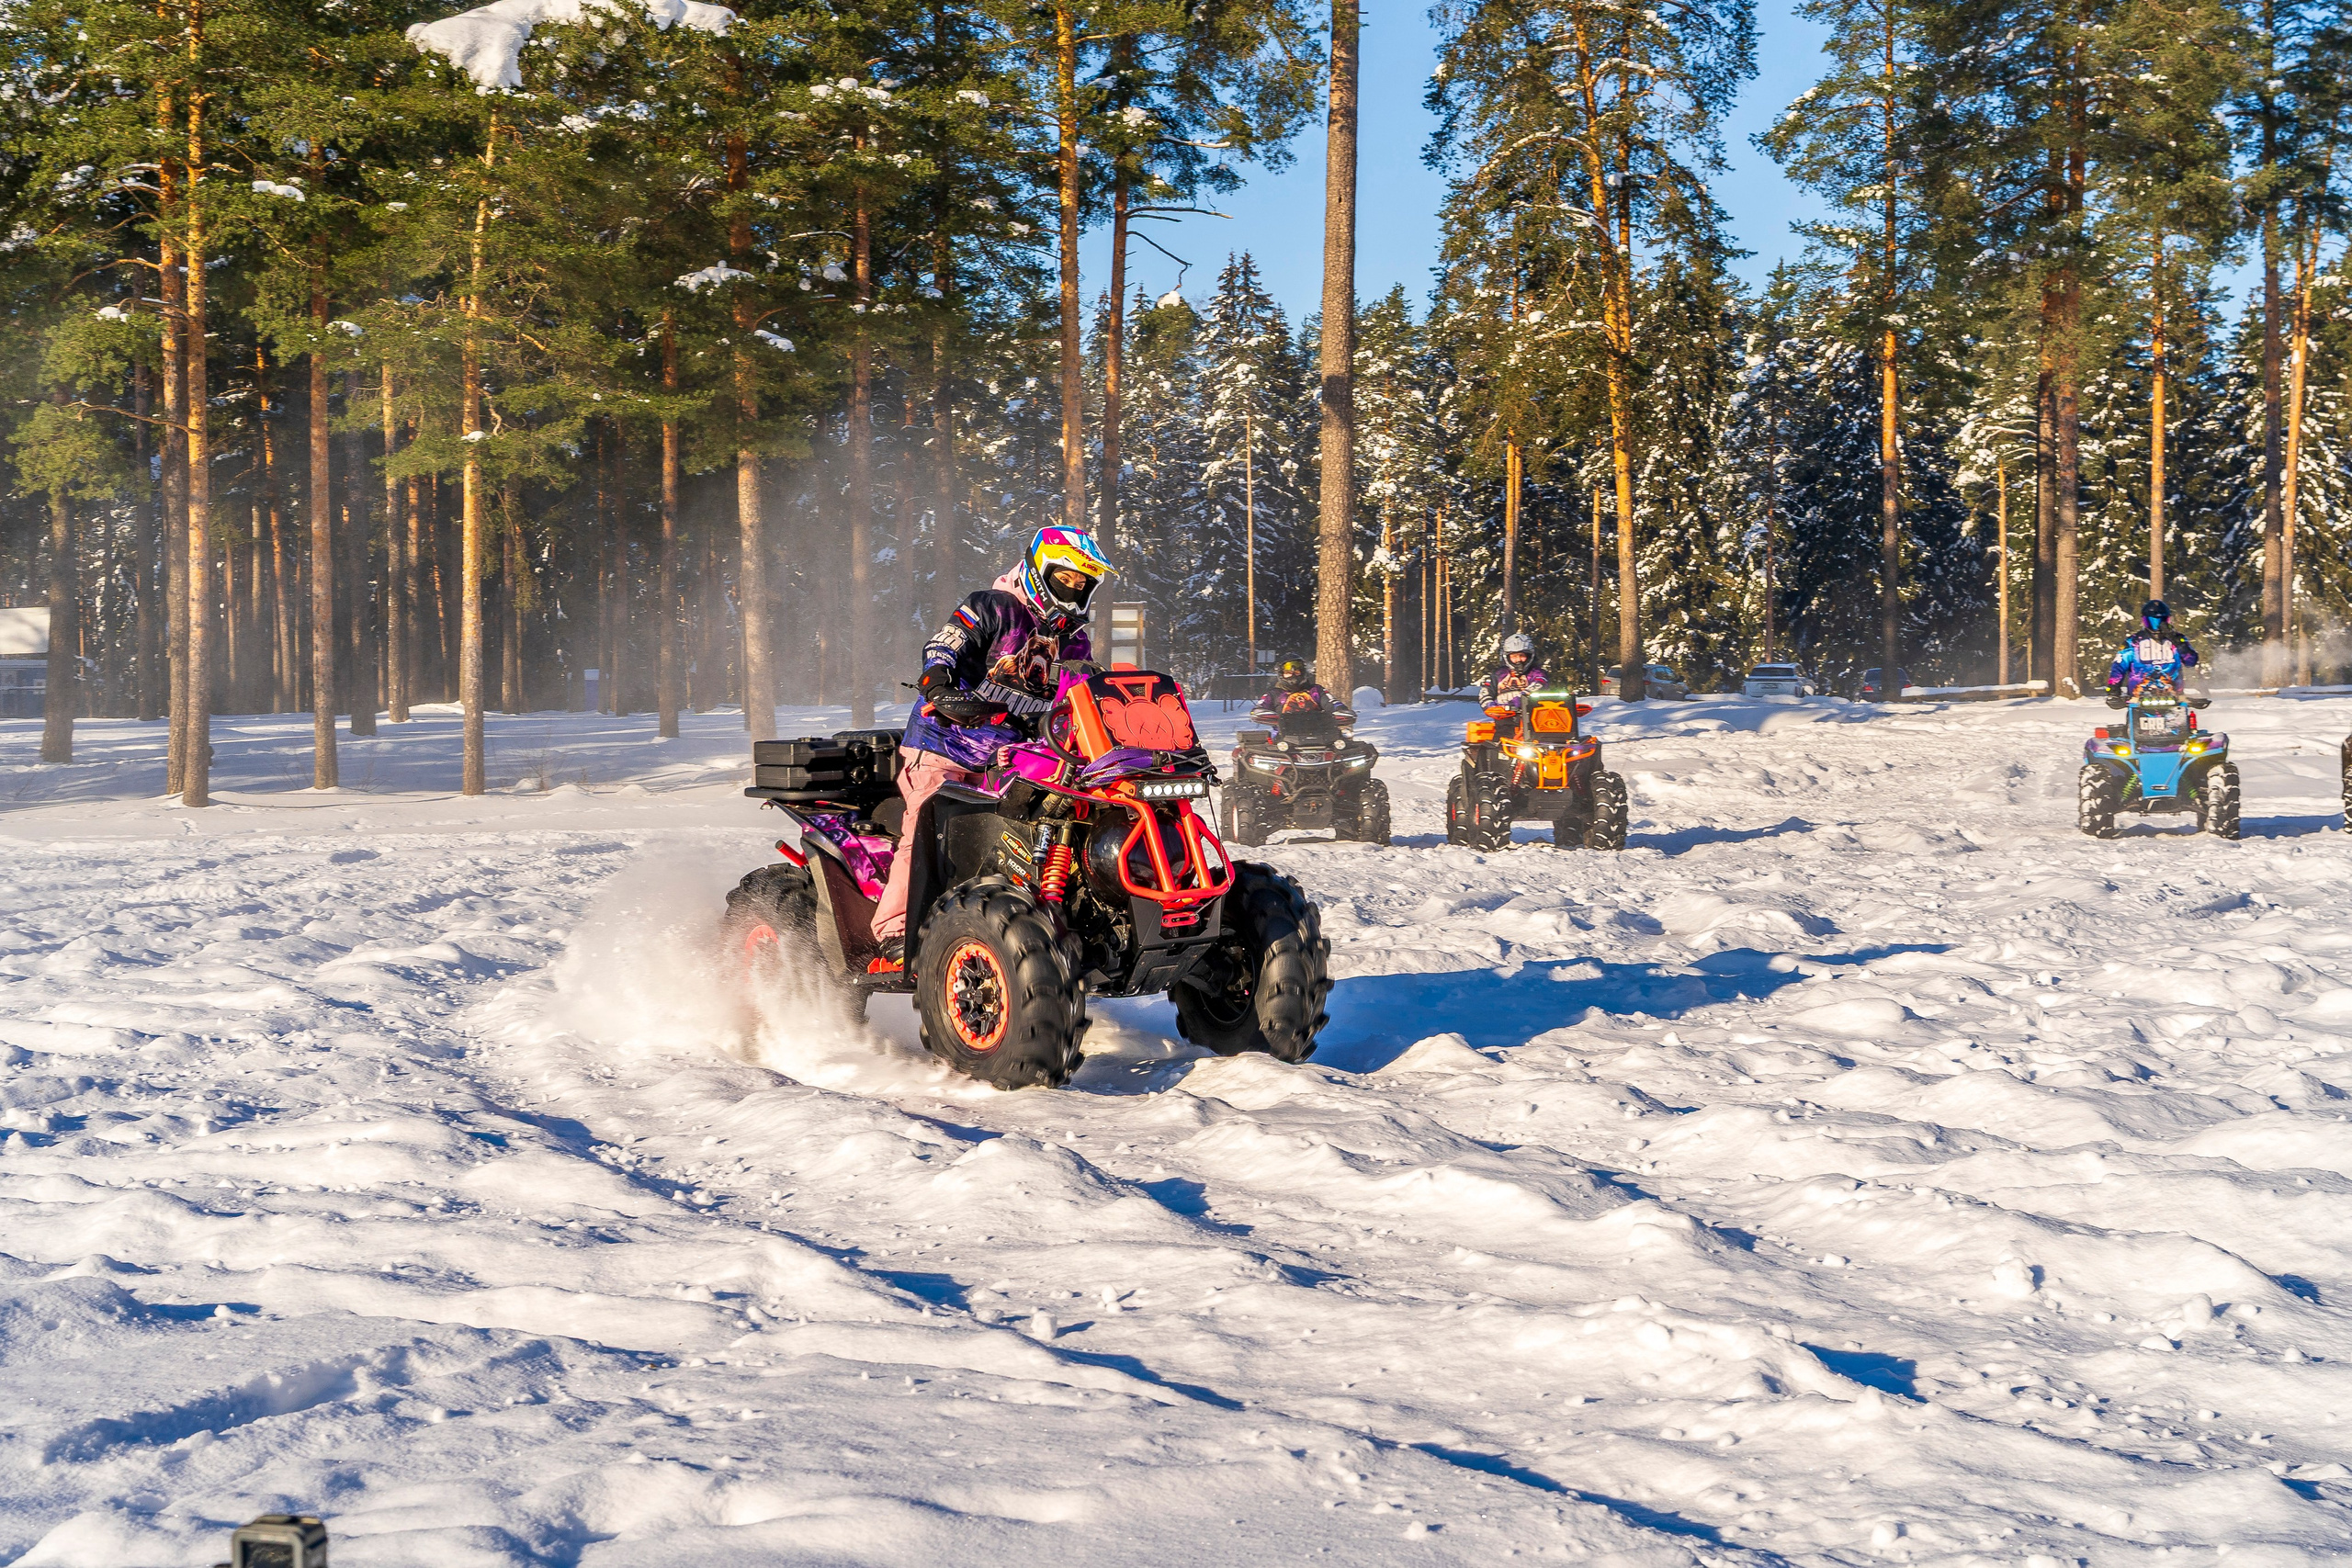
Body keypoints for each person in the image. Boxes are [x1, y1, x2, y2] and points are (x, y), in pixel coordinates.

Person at [869, 525, 1113, 966]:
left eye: (1082, 584)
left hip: (1010, 756)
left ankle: (1042, 924)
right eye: (1065, 578)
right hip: (944, 742)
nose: (1073, 590)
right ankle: (895, 930)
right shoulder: (993, 606)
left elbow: (1081, 693)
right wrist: (937, 682)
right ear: (1039, 571)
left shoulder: (1073, 639)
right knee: (926, 830)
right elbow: (945, 644)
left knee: (1033, 830)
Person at [2105, 599, 2199, 705]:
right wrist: (2113, 689)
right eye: (2152, 621)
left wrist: (2178, 643)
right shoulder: (2133, 642)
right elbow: (2119, 666)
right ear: (2144, 621)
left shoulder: (2178, 639)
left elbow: (2191, 662)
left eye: (2161, 621)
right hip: (2138, 700)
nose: (2157, 626)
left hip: (2174, 700)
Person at [1250, 658, 1354, 726]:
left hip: (1321, 734)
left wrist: (1341, 710)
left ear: (1303, 673)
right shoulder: (1274, 693)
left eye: (1297, 672)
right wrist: (1267, 716)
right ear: (1281, 674)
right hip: (1283, 738)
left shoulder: (1316, 690)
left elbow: (1332, 703)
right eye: (1288, 672)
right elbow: (1259, 709)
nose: (1293, 675)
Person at [1476, 633, 1550, 705]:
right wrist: (1490, 705)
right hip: (1502, 711)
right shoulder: (1499, 674)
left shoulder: (1537, 673)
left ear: (1529, 656)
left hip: (1530, 711)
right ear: (1508, 657)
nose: (1518, 660)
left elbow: (1540, 684)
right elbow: (1485, 692)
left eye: (1522, 656)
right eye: (1514, 656)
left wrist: (1519, 699)